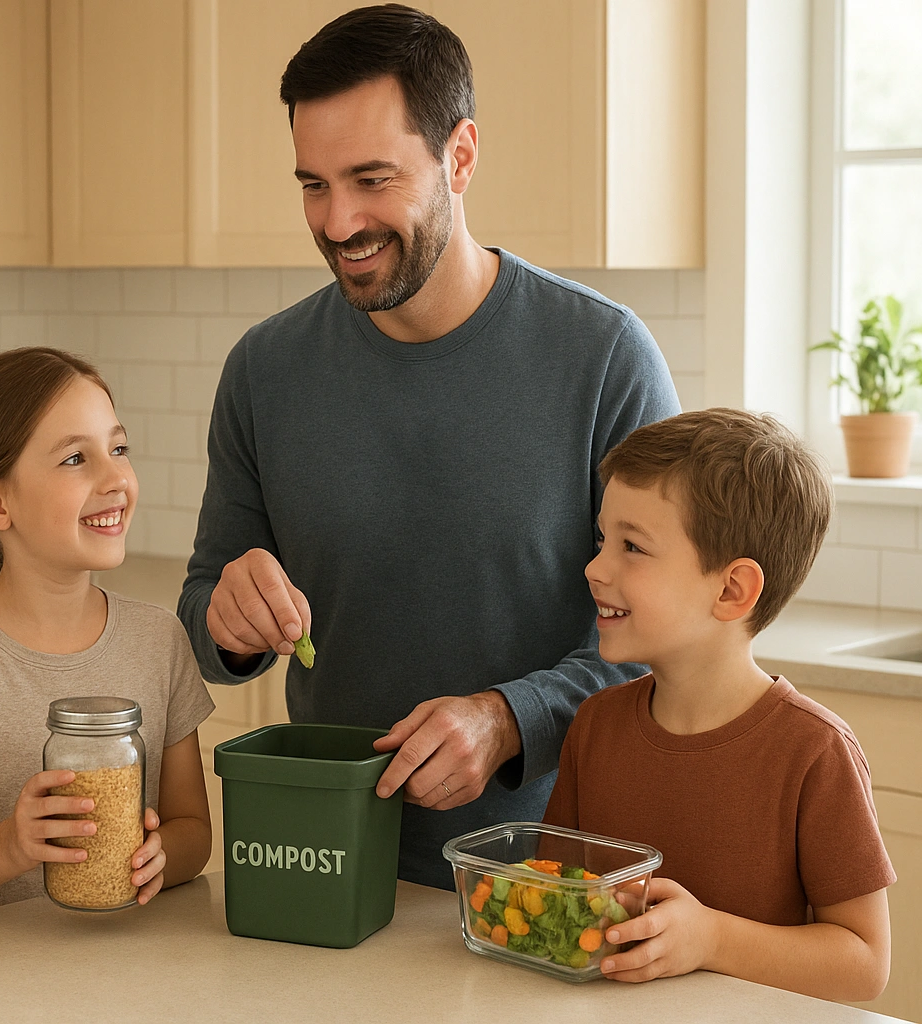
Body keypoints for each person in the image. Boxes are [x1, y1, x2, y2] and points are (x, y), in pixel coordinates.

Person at [177, 5, 679, 889]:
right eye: (313, 185)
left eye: (372, 179)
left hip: (548, 878)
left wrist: (507, 719)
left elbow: (662, 641)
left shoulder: (601, 357)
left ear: (461, 156)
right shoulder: (264, 369)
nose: (338, 223)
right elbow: (203, 616)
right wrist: (228, 619)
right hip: (328, 864)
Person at [543, 409, 894, 1000]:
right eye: (603, 539)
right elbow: (553, 894)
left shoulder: (815, 752)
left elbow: (864, 964)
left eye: (632, 546)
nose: (595, 567)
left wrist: (710, 940)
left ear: (732, 590)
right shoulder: (596, 726)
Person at [0, 347, 214, 918]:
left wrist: (161, 856)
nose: (115, 478)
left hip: (124, 974)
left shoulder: (160, 641)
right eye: (76, 459)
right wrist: (10, 846)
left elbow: (194, 830)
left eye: (119, 448)